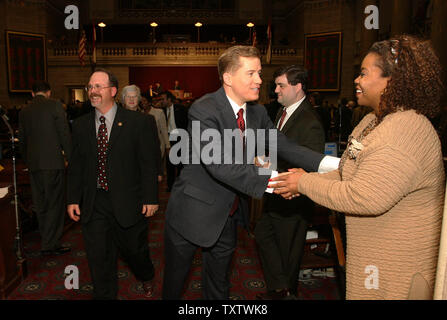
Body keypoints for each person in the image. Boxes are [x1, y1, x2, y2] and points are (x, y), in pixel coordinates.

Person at [270, 35, 445, 300]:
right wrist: (305, 180)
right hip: (372, 256)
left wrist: (303, 184)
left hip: (395, 268)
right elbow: (346, 172)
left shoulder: (404, 131)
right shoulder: (374, 121)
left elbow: (364, 196)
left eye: (363, 73)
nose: (356, 80)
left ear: (392, 80)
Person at [162, 45, 339, 300]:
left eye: (259, 72)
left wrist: (332, 164)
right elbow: (220, 164)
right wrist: (279, 182)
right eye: (251, 73)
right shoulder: (204, 109)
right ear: (228, 78)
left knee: (219, 285)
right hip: (192, 213)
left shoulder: (256, 112)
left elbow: (283, 145)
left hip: (229, 215)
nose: (259, 80)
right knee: (175, 285)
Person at [67, 68, 160, 300]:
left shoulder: (139, 122)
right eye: (90, 87)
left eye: (98, 86)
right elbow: (76, 166)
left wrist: (151, 197)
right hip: (94, 202)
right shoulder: (79, 125)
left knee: (135, 252)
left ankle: (146, 275)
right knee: (99, 258)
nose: (93, 91)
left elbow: (149, 163)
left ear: (113, 91)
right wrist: (72, 199)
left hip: (129, 201)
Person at [255, 65, 325, 300]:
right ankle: (279, 289)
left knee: (288, 252)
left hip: (293, 198)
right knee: (264, 236)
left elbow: (312, 165)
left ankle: (286, 293)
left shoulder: (309, 121)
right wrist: (264, 161)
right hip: (276, 193)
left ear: (298, 87)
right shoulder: (283, 112)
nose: (275, 90)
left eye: (281, 85)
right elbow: (278, 150)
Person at [18, 81, 72, 256]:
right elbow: (64, 133)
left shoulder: (25, 110)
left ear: (32, 93)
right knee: (55, 204)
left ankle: (46, 239)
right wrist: (70, 158)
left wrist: (28, 161)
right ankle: (51, 243)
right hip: (53, 163)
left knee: (40, 204)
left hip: (34, 164)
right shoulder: (55, 105)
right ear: (48, 92)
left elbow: (22, 140)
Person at [159, 90, 188, 191]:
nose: (161, 101)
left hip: (181, 137)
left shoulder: (181, 109)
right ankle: (170, 186)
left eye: (163, 99)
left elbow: (187, 124)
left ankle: (181, 185)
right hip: (168, 139)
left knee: (181, 164)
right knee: (169, 164)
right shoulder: (161, 111)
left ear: (169, 99)